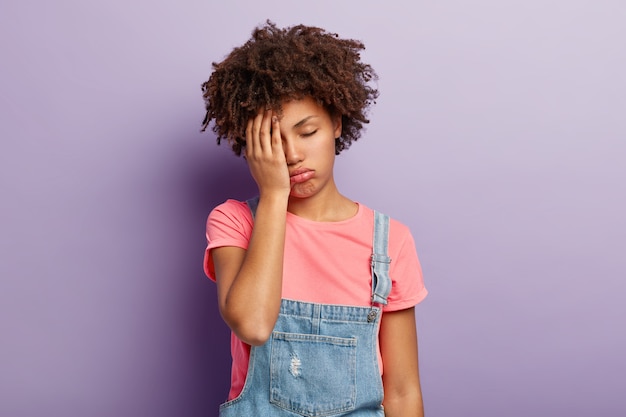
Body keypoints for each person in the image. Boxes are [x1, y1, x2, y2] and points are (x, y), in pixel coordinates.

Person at [200, 20, 428, 416]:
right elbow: (252, 325)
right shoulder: (234, 222)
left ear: (337, 124)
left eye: (307, 132)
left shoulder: (389, 242)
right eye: (273, 141)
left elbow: (404, 391)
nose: (292, 155)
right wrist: (274, 194)